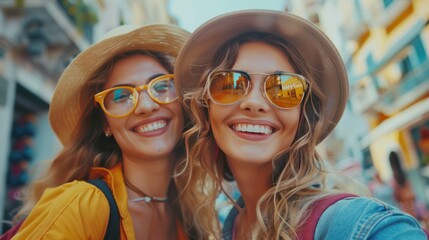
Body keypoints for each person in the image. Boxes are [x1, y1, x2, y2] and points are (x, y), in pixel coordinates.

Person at [175, 10, 427, 239]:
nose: (254, 102)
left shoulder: (357, 224)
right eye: (229, 84)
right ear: (206, 109)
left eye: (284, 87)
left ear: (302, 117)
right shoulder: (229, 228)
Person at [10, 24, 211, 239]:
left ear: (181, 103)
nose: (146, 106)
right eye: (121, 96)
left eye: (161, 86)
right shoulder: (79, 206)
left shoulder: (190, 219)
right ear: (105, 124)